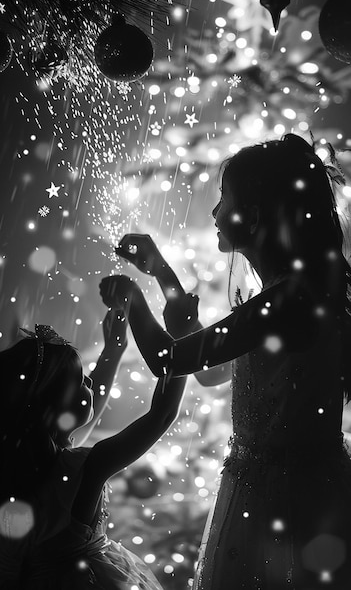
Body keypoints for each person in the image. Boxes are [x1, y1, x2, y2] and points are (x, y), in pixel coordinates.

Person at [100, 133, 351, 589]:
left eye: (224, 199)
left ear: (253, 217)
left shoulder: (286, 301)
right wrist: (165, 277)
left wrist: (134, 298)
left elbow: (166, 360)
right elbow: (213, 375)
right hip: (272, 487)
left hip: (285, 500)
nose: (215, 212)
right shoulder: (285, 295)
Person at [0, 294, 196, 589]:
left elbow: (89, 407)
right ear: (57, 410)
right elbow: (162, 415)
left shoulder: (21, 468)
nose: (90, 381)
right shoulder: (88, 466)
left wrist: (114, 349)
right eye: (81, 381)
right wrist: (183, 337)